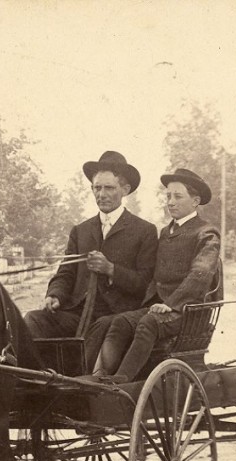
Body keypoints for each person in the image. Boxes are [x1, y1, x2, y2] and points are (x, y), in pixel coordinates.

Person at [24, 150, 158, 366]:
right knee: (33, 320)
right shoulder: (81, 230)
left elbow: (146, 284)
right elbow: (65, 273)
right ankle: (38, 378)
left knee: (100, 329)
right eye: (97, 187)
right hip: (77, 313)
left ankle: (76, 384)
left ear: (125, 190)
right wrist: (55, 295)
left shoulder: (144, 231)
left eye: (109, 188)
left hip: (114, 315)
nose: (101, 194)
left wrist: (111, 270)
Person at [89, 168, 221, 381]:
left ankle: (122, 379)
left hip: (187, 311)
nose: (170, 202)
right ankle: (99, 375)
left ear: (195, 201)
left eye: (178, 196)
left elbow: (200, 274)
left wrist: (172, 303)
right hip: (161, 306)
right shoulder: (166, 232)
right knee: (121, 321)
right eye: (168, 196)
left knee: (148, 323)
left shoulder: (206, 233)